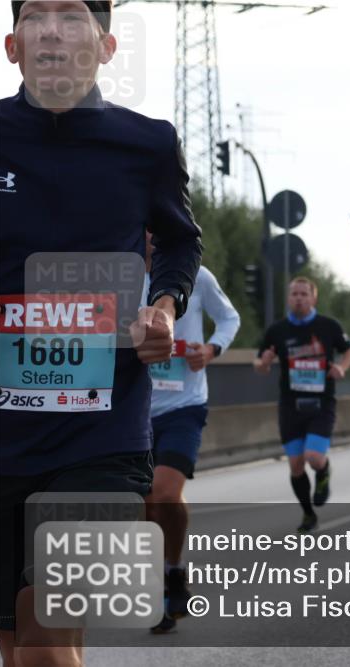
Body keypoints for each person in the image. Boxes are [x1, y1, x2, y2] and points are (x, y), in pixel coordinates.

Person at [0, 2, 203, 663]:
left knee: (46, 624)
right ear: (13, 45)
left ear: (107, 45)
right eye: (35, 16)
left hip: (104, 429)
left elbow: (178, 239)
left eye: (73, 15)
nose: (53, 29)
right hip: (1, 433)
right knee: (21, 642)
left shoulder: (146, 144)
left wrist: (164, 306)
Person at [144, 236, 240, 633]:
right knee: (148, 504)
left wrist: (212, 349)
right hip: (136, 408)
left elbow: (230, 318)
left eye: (156, 228)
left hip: (185, 405)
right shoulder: (120, 276)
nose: (150, 236)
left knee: (165, 492)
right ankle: (166, 577)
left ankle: (175, 569)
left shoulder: (196, 276)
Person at [254, 278, 350, 531]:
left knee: (313, 457)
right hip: (290, 405)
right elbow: (259, 366)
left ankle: (324, 471)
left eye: (304, 294)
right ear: (288, 298)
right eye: (294, 294)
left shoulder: (328, 326)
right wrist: (265, 362)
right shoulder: (277, 331)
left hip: (321, 402)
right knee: (296, 465)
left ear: (313, 298)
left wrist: (341, 368)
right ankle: (308, 514)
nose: (299, 298)